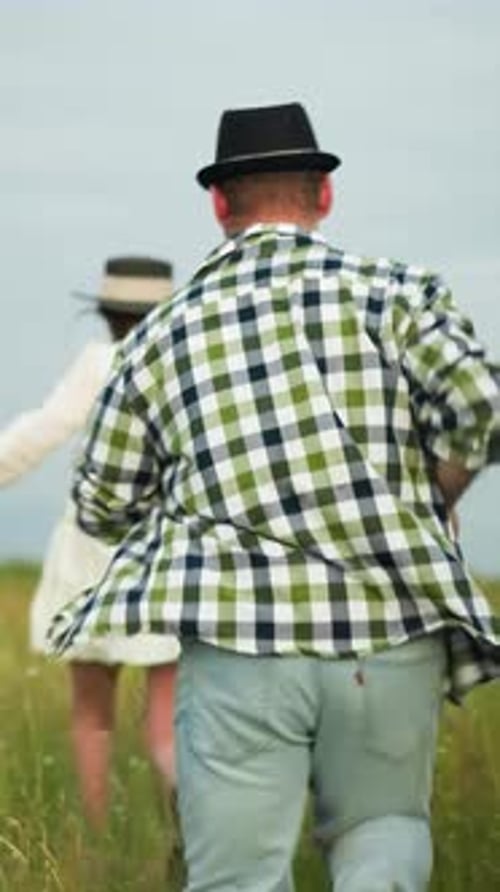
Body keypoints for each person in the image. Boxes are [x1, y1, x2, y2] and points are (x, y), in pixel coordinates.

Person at [48, 103, 500, 891]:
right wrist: (431, 495)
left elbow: (102, 503)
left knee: (238, 878)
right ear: (324, 196)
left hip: (237, 649)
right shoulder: (397, 296)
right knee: (384, 835)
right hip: (388, 635)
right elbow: (481, 406)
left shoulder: (162, 333)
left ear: (220, 205)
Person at [0, 255, 179, 828]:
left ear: (106, 312)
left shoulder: (99, 361)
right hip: (163, 551)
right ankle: (187, 832)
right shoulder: (179, 361)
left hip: (91, 553)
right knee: (167, 717)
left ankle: (100, 831)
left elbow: (46, 428)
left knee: (92, 709)